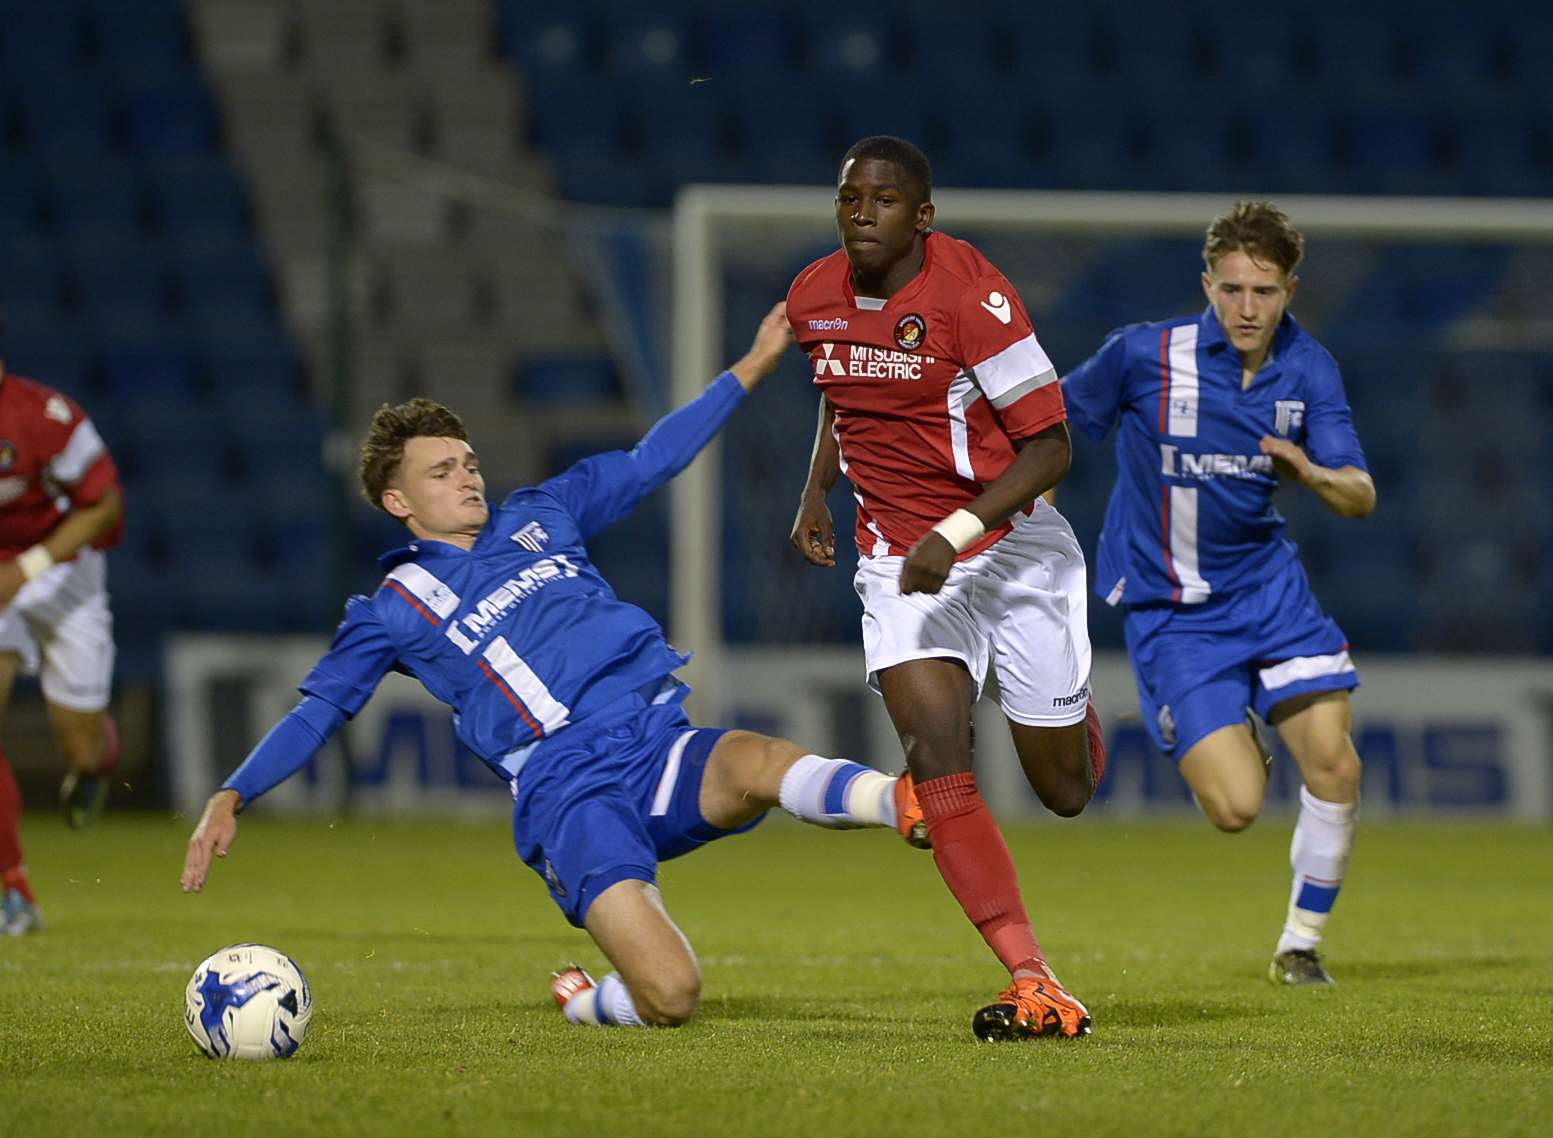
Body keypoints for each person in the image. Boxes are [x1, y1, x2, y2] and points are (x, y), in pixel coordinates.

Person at [181, 305, 925, 1028]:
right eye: (441, 472)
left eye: (468, 463)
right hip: (567, 793)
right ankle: (588, 1000)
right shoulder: (391, 609)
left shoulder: (543, 514)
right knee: (672, 996)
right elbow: (320, 709)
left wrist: (757, 361)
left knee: (755, 760)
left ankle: (904, 804)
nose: (467, 478)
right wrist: (233, 793)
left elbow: (652, 459)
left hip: (650, 741)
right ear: (396, 499)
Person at [785, 136, 1105, 1041]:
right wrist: (817, 487)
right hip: (897, 559)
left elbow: (1051, 447)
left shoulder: (974, 296)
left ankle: (1068, 712)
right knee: (935, 757)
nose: (860, 212)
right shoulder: (813, 293)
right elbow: (838, 386)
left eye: (882, 200)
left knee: (1064, 792)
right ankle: (1032, 977)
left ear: (921, 217)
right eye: (849, 197)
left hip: (1012, 546)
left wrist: (957, 530)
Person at [1061, 201, 1374, 986]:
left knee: (1335, 766)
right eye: (1230, 289)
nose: (1245, 308)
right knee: (1234, 808)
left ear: (1289, 291)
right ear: (1207, 283)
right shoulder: (1142, 355)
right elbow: (1049, 422)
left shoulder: (1310, 370)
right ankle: (1235, 721)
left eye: (1262, 292)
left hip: (1270, 594)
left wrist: (1310, 473)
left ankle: (1299, 944)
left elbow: (1359, 494)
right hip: (1174, 615)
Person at [0, 331, 125, 937]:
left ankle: (98, 758)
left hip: (64, 574)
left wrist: (26, 570)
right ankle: (14, 890)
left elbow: (103, 507)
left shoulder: (46, 416)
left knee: (81, 750)